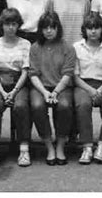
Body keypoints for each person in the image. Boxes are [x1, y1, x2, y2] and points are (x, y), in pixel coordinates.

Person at [0, 8, 31, 167]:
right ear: (1, 25)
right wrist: (3, 92)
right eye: (7, 24)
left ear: (18, 25)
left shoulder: (25, 44)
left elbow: (25, 71)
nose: (11, 27)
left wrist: (14, 91)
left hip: (19, 83)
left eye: (14, 24)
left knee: (21, 106)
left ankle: (24, 150)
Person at [29, 11, 76, 166]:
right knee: (37, 105)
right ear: (40, 29)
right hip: (41, 87)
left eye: (52, 27)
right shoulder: (35, 47)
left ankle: (61, 145)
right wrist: (44, 92)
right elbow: (33, 74)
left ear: (58, 28)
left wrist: (56, 91)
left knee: (64, 106)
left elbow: (68, 73)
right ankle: (49, 145)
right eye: (45, 28)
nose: (49, 31)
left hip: (62, 87)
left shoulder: (67, 47)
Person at [73, 14, 102, 165]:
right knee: (83, 105)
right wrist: (91, 91)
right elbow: (75, 77)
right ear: (84, 30)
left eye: (96, 28)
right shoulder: (76, 47)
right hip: (83, 84)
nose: (93, 31)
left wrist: (99, 91)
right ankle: (87, 146)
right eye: (89, 28)